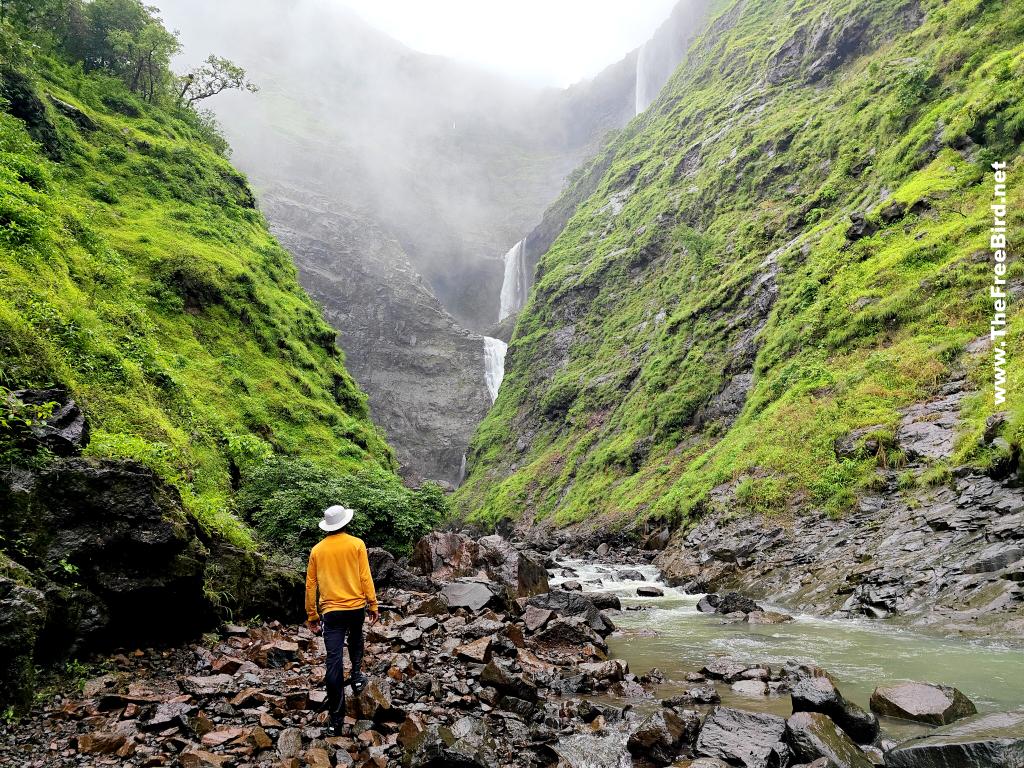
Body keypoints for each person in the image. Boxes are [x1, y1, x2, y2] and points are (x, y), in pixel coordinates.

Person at [305, 504, 379, 736]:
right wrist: (373, 603)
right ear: (346, 522)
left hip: (331, 612)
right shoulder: (357, 544)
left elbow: (311, 584)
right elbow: (364, 576)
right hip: (356, 606)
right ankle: (356, 676)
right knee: (356, 638)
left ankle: (336, 721)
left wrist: (312, 615)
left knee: (333, 661)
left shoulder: (317, 550)